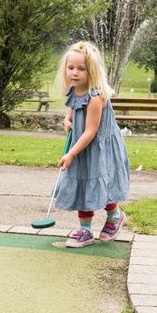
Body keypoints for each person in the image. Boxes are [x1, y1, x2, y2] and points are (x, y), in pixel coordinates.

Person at [53, 41, 131, 247]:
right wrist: (67, 120)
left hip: (97, 147)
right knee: (82, 182)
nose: (75, 73)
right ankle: (85, 230)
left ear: (92, 71)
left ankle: (115, 214)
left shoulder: (96, 97)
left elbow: (90, 130)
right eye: (71, 68)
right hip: (82, 144)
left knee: (97, 182)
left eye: (81, 69)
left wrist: (70, 154)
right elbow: (71, 111)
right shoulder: (74, 90)